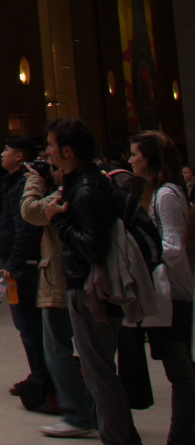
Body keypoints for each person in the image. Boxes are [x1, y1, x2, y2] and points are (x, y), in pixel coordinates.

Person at [46, 117, 142, 445]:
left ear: (68, 151)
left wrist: (58, 223)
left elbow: (92, 246)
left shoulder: (86, 190)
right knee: (100, 373)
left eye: (51, 145)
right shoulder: (90, 181)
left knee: (99, 376)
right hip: (91, 288)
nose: (47, 151)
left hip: (90, 290)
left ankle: (118, 438)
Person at [21, 147, 99, 438]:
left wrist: (35, 181)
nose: (47, 161)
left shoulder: (71, 192)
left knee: (58, 350)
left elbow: (30, 211)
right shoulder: (96, 184)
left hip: (64, 279)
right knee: (93, 353)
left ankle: (79, 415)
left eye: (51, 158)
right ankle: (98, 412)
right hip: (85, 280)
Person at [124, 130, 195, 444]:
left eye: (135, 153)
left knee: (180, 371)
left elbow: (174, 246)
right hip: (170, 292)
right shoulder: (157, 191)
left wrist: (146, 261)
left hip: (175, 294)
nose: (130, 159)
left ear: (149, 158)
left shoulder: (165, 194)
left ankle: (181, 436)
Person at [0, 136, 46, 394]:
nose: (1, 154)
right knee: (27, 324)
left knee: (29, 323)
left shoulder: (24, 185)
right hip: (18, 261)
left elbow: (24, 226)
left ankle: (42, 376)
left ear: (19, 156)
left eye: (6, 150)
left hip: (25, 264)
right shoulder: (12, 184)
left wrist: (14, 262)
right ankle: (40, 373)